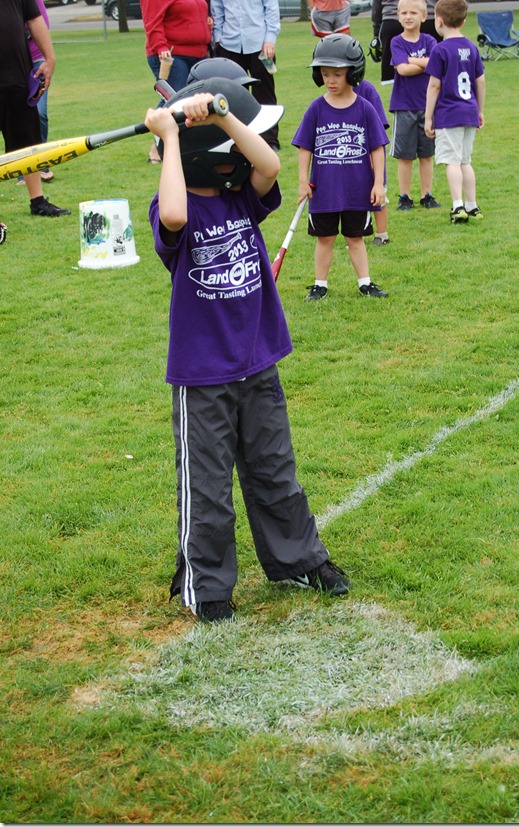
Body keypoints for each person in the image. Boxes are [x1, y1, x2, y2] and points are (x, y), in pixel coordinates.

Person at [144, 77, 351, 623]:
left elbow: (271, 165)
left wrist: (222, 116)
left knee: (274, 469)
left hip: (257, 361)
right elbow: (173, 217)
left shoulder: (243, 198)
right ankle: (207, 584)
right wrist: (169, 135)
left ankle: (299, 559)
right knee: (207, 486)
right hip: (203, 374)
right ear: (209, 158)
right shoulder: (176, 204)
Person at [291, 34, 389, 301]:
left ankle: (365, 283)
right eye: (325, 74)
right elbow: (305, 148)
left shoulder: (365, 108)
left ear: (353, 72)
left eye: (337, 74)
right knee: (325, 238)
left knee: (355, 238)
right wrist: (302, 181)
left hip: (357, 190)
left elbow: (377, 148)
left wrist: (378, 182)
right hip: (324, 191)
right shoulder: (316, 109)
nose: (330, 80)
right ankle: (320, 284)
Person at [1, 0, 70, 217]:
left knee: (28, 142)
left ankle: (37, 201)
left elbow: (34, 18)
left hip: (17, 78)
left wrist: (50, 58)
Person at [424, 0, 485, 224]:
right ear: (463, 21)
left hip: (449, 115)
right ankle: (473, 206)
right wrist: (480, 110)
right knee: (465, 161)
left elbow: (434, 85)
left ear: (439, 21)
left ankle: (458, 206)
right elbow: (481, 82)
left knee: (452, 161)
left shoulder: (439, 50)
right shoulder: (471, 47)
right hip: (469, 111)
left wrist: (428, 117)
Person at [141, 0, 213, 163]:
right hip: (172, 54)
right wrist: (160, 47)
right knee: (175, 99)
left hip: (198, 53)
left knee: (196, 101)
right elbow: (152, 21)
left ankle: (192, 147)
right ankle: (156, 149)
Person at [389, 0, 440, 210]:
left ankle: (427, 195)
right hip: (404, 105)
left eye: (412, 12)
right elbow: (402, 70)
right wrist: (424, 63)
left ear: (423, 16)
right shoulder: (396, 42)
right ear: (398, 16)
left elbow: (435, 64)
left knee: (426, 154)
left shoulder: (429, 40)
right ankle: (405, 197)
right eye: (403, 13)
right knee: (405, 155)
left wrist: (411, 60)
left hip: (428, 106)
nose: (408, 16)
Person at [211, 0, 281, 150]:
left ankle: (269, 140)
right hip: (229, 45)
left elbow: (271, 10)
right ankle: (235, 140)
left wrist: (270, 39)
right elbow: (217, 10)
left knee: (265, 95)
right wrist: (218, 40)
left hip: (260, 45)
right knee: (232, 96)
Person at [16, 0, 54, 185]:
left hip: (37, 60)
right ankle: (24, 170)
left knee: (39, 112)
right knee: (19, 116)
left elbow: (41, 22)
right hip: (14, 62)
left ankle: (42, 164)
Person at [355, 75, 391, 244]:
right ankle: (357, 235)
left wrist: (370, 154)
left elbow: (379, 126)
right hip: (350, 157)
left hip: (370, 150)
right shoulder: (333, 93)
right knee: (355, 197)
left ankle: (382, 234)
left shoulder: (366, 89)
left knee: (378, 194)